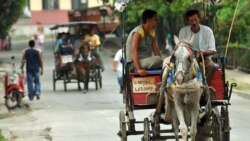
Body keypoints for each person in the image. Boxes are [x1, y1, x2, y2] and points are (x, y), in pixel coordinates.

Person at [179, 9, 216, 83]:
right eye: (191, 21)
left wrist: (203, 53)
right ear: (188, 21)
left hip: (204, 58)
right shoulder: (183, 31)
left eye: (195, 19)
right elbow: (181, 48)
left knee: (212, 66)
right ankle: (183, 86)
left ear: (199, 19)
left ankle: (204, 86)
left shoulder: (208, 31)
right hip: (187, 60)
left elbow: (212, 50)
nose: (194, 22)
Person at [126, 9, 162, 76]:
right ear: (148, 20)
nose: (157, 21)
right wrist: (139, 69)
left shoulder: (152, 32)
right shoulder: (138, 32)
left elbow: (156, 51)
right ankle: (137, 68)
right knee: (158, 59)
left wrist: (162, 64)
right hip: (134, 63)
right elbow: (134, 51)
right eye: (155, 19)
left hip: (145, 61)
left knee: (164, 61)